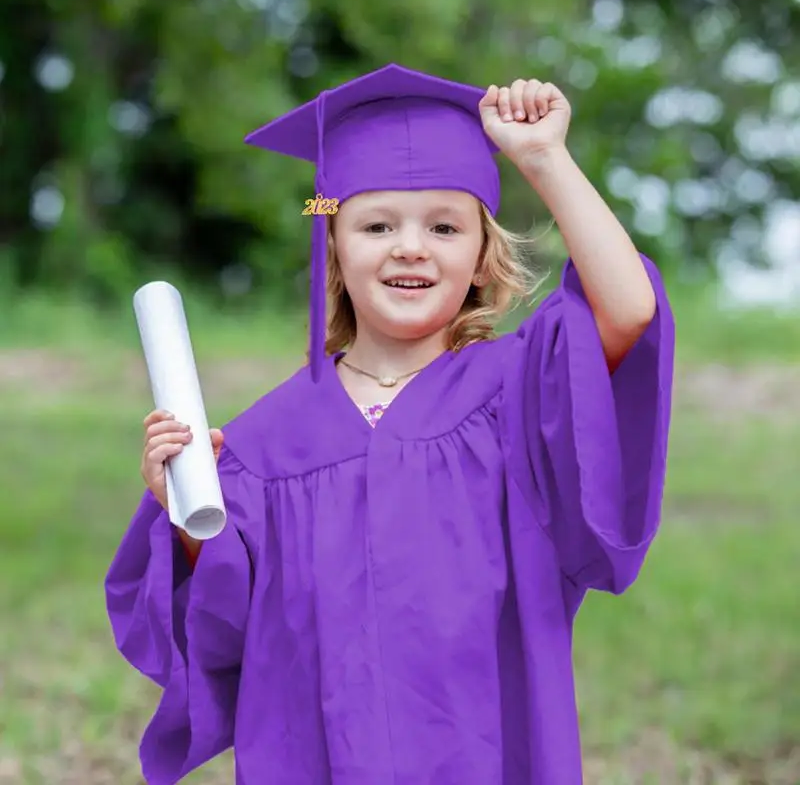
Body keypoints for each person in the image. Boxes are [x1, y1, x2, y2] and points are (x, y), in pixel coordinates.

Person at [105, 63, 675, 785]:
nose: (411, 246)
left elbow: (626, 311)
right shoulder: (260, 447)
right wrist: (184, 509)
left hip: (486, 751)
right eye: (376, 225)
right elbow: (225, 629)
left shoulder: (516, 395)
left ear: (480, 256)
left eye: (444, 225)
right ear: (333, 245)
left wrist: (544, 160)